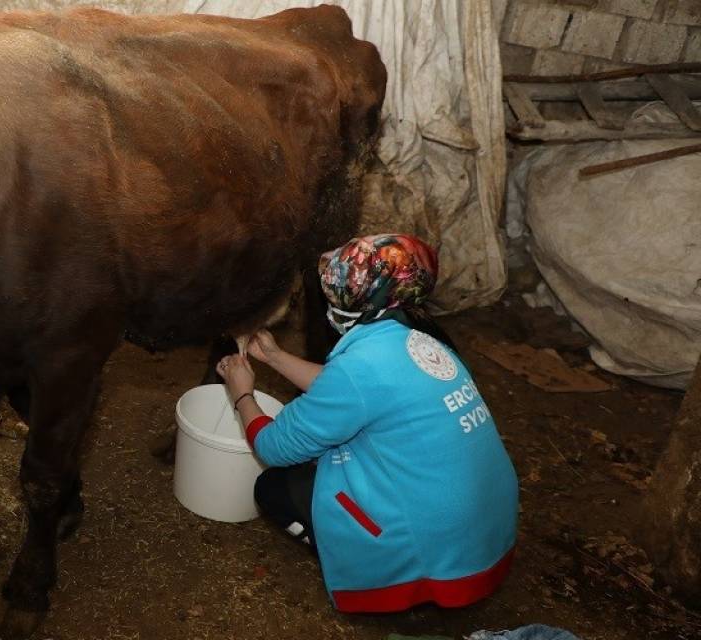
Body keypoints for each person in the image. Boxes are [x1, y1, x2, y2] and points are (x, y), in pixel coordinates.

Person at [215, 233, 518, 613]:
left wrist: (242, 392)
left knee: (274, 488)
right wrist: (275, 357)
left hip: (439, 562)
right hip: (483, 539)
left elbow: (273, 446)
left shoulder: (361, 368)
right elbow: (349, 389)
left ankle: (369, 567)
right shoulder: (423, 343)